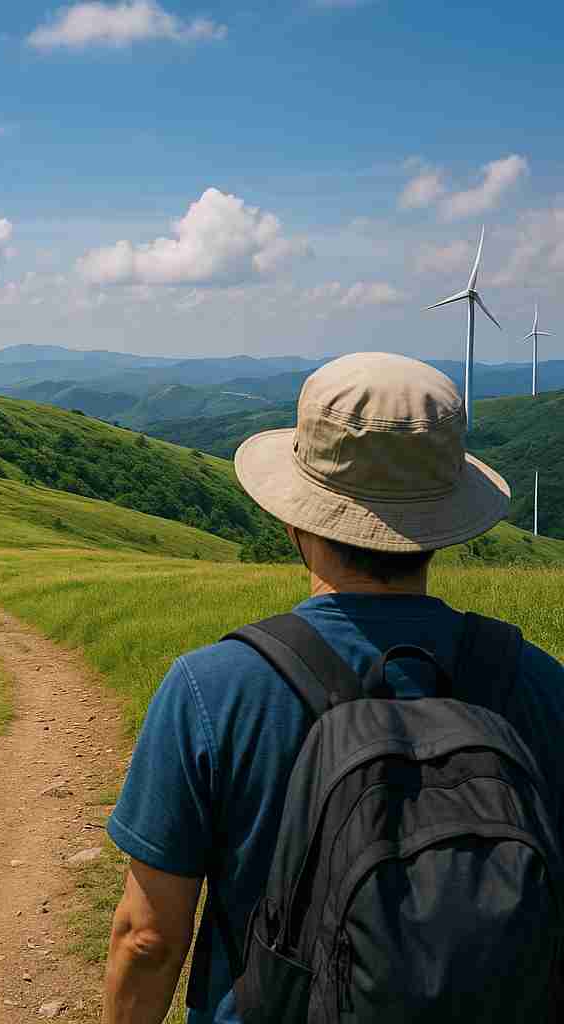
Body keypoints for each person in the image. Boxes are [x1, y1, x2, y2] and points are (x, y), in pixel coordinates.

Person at [102, 352, 564, 1024]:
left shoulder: (212, 689)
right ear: (446, 524)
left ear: (298, 519)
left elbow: (148, 937)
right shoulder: (541, 682)